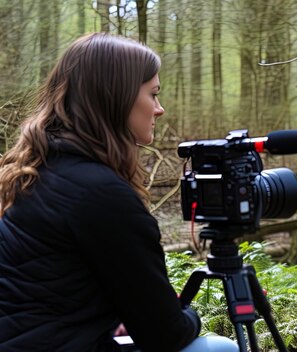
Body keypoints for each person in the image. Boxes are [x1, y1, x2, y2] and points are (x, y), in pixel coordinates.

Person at [0, 33, 238, 352]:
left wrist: (111, 313)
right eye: (153, 94)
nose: (160, 109)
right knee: (217, 348)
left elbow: (49, 286)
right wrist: (191, 315)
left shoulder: (34, 169)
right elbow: (166, 336)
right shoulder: (100, 193)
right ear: (116, 98)